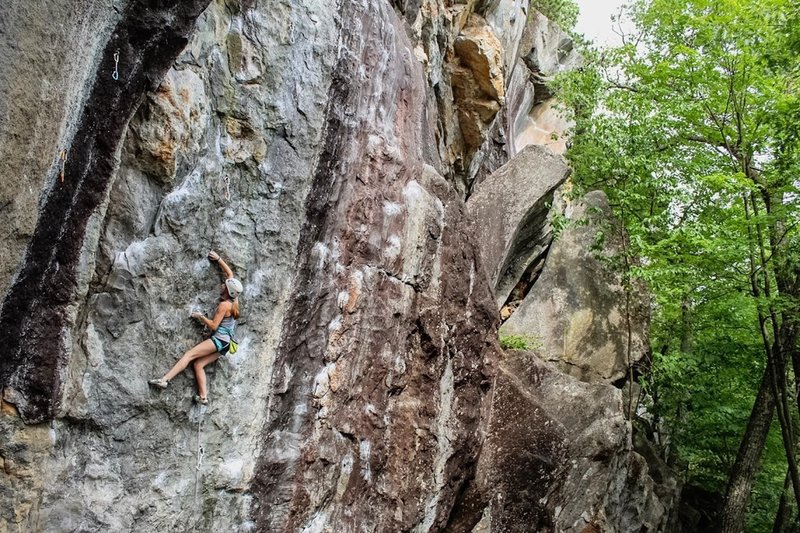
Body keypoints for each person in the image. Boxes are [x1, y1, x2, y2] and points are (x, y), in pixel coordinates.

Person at [148, 250, 243, 404]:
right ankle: (203, 397)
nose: (221, 285)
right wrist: (218, 259)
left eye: (223, 285)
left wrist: (200, 317)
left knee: (190, 355)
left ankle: (165, 380)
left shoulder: (224, 305)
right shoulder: (234, 300)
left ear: (227, 290)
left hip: (219, 340)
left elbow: (213, 325)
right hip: (227, 343)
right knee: (198, 365)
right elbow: (230, 274)